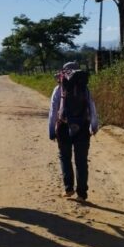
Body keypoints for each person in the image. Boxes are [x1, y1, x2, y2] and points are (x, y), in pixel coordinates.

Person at [48, 62, 99, 202]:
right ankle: (82, 194)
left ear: (64, 73)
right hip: (82, 127)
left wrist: (51, 130)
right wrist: (94, 126)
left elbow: (53, 111)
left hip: (64, 127)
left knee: (65, 158)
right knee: (81, 161)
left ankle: (68, 188)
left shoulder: (59, 89)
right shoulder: (85, 89)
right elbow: (92, 107)